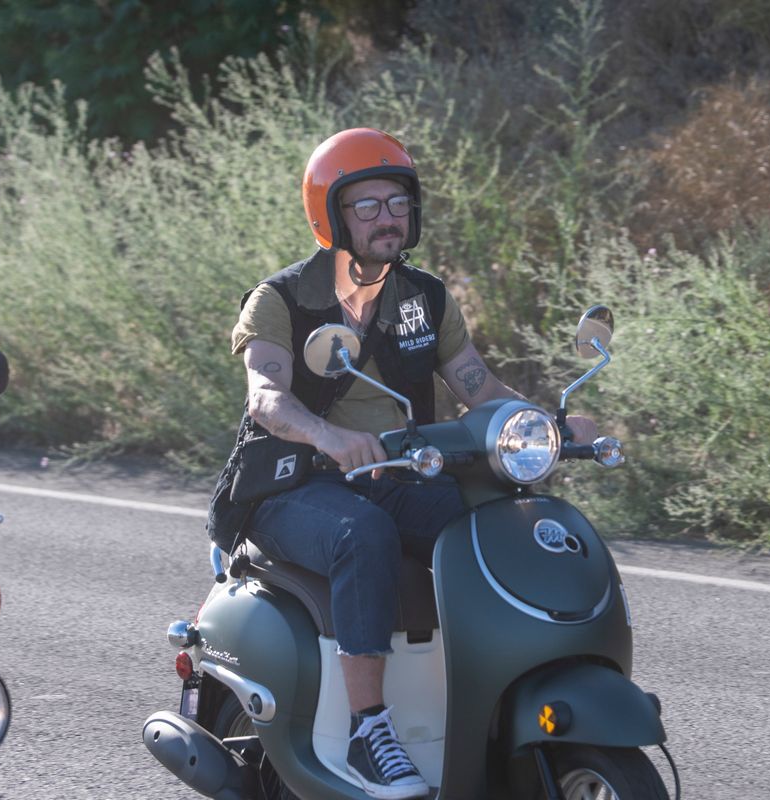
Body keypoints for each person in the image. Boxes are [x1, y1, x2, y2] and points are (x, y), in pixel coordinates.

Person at [228, 128, 595, 799]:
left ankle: (501, 695)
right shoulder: (281, 299)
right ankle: (371, 732)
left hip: (399, 476)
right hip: (294, 488)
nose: (386, 218)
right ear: (331, 215)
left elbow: (479, 387)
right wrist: (327, 436)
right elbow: (266, 398)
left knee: (495, 522)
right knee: (359, 536)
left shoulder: (425, 297)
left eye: (396, 202)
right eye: (366, 206)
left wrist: (545, 425)